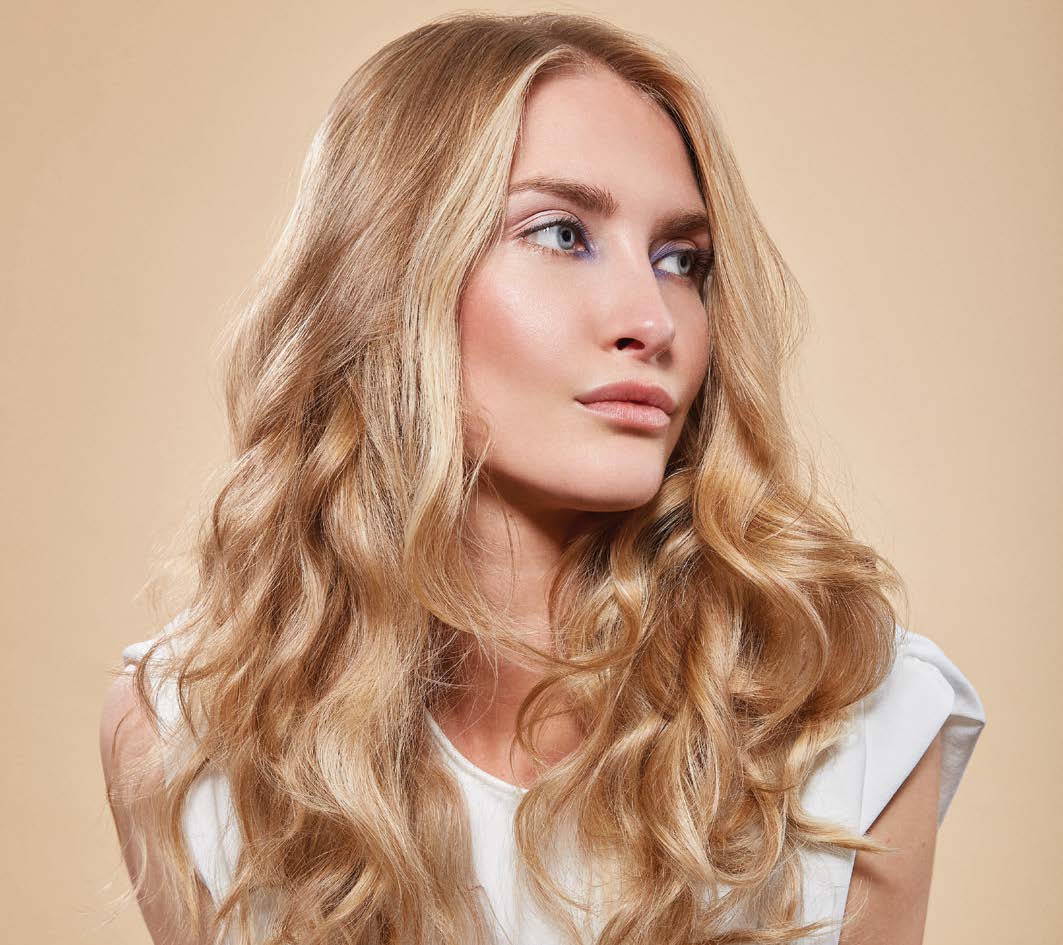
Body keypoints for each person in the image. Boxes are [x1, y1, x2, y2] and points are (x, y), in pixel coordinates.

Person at [99, 11, 986, 945]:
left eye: (680, 260)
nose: (653, 320)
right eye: (562, 233)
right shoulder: (186, 737)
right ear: (389, 271)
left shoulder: (849, 717)